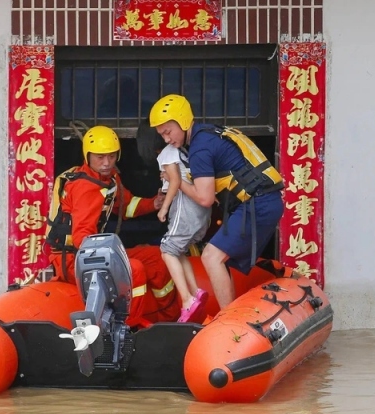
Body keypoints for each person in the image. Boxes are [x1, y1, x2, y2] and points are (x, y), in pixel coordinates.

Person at [149, 94, 285, 309]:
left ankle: (227, 320)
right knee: (219, 258)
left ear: (183, 121)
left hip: (258, 203)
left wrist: (175, 180)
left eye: (168, 131)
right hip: (262, 200)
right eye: (161, 134)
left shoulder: (200, 149)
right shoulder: (208, 133)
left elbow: (205, 198)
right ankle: (231, 312)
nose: (166, 139)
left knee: (211, 257)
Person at [45, 125, 180, 327]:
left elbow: (125, 206)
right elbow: (83, 238)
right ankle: (129, 330)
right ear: (87, 156)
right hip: (73, 261)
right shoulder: (85, 188)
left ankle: (169, 321)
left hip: (93, 255)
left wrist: (153, 203)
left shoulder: (109, 179)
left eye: (111, 156)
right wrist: (112, 258)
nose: (107, 163)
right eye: (100, 157)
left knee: (156, 259)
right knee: (134, 269)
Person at [155, 141, 212, 323]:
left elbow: (176, 181)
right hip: (201, 212)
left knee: (167, 251)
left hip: (186, 207)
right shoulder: (184, 152)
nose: (166, 137)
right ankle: (196, 292)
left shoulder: (167, 153)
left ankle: (187, 300)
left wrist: (164, 208)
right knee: (177, 251)